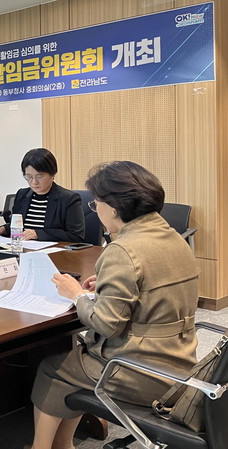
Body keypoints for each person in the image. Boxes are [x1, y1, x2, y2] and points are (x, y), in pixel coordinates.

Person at [30, 161, 199, 449]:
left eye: (96, 204)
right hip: (181, 359)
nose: (95, 210)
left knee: (53, 369)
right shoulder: (173, 236)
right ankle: (64, 445)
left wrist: (76, 295)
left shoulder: (123, 250)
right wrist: (109, 283)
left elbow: (108, 325)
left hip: (139, 368)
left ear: (114, 208)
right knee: (74, 364)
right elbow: (156, 284)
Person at [0, 148, 84, 242]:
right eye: (29, 177)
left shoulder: (68, 199)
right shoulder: (22, 195)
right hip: (23, 248)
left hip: (52, 250)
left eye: (39, 176)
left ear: (52, 174)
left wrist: (38, 234)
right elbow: (19, 227)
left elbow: (76, 236)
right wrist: (5, 229)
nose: (34, 182)